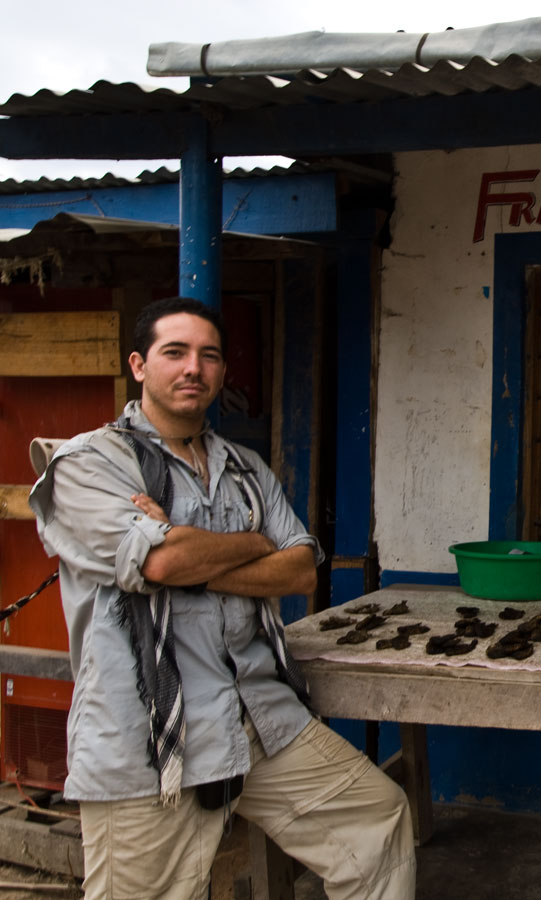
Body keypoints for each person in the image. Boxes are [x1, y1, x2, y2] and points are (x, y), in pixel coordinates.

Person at [29, 296, 415, 900]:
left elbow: (300, 571)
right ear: (138, 364)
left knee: (377, 820)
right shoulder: (87, 463)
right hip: (153, 739)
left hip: (257, 715)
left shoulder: (245, 467)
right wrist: (246, 544)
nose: (193, 368)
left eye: (209, 356)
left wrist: (195, 555)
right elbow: (160, 559)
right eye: (174, 352)